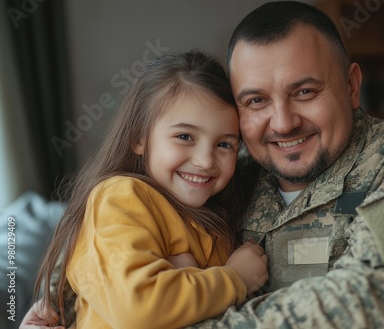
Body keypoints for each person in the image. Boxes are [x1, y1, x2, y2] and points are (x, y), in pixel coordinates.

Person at [23, 1, 384, 328]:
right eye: (255, 100)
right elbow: (101, 280)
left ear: (352, 87)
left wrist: (163, 313)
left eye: (305, 91)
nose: (283, 121)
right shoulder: (227, 183)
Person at [27, 51, 268, 329]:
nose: (205, 161)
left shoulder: (213, 217)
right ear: (138, 138)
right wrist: (234, 278)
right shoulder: (120, 196)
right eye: (184, 136)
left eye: (225, 144)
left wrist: (186, 276)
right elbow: (137, 308)